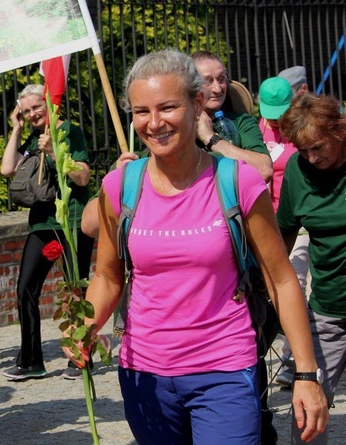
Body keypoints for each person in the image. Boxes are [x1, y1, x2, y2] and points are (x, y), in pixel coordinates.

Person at [74, 48, 327, 443]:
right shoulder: (120, 186)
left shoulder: (237, 181)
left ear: (196, 105)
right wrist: (86, 327)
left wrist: (307, 375)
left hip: (224, 370)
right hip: (144, 375)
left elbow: (281, 280)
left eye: (167, 107)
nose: (153, 123)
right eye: (141, 111)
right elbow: (108, 276)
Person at [0, 84, 94, 381]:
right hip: (42, 224)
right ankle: (30, 360)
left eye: (36, 107)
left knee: (75, 291)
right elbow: (6, 169)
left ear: (50, 103)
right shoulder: (31, 137)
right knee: (25, 287)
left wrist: (54, 151)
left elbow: (82, 177)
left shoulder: (68, 130)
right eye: (26, 111)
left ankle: (81, 358)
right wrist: (15, 129)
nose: (32, 114)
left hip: (72, 222)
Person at [277, 92, 346, 445]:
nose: (312, 157)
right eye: (303, 150)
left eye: (318, 147)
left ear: (340, 130)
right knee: (308, 406)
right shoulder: (298, 170)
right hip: (329, 309)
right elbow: (284, 234)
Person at [257, 73, 310, 389]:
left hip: (296, 223)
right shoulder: (254, 129)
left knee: (296, 282)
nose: (276, 122)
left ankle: (293, 359)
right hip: (265, 223)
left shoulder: (301, 129)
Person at [190, 51, 273, 182]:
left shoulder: (241, 121)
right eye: (207, 81)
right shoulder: (180, 124)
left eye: (221, 79)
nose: (217, 89)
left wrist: (210, 138)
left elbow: (264, 170)